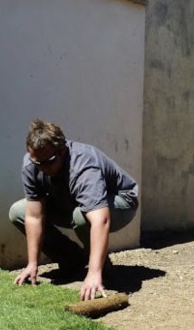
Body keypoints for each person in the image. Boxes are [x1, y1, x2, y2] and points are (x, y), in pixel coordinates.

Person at [9, 120, 139, 300]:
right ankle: (72, 260)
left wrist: (93, 273)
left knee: (82, 216)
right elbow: (33, 217)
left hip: (121, 203)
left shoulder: (83, 166)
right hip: (73, 202)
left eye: (48, 162)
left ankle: (101, 269)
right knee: (19, 211)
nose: (42, 169)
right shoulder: (33, 164)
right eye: (37, 162)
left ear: (62, 150)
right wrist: (33, 263)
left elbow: (100, 220)